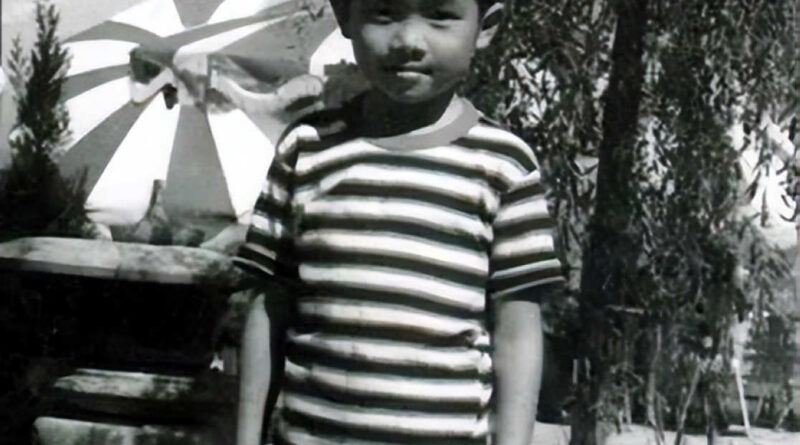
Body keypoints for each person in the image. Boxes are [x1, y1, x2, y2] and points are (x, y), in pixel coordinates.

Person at [233, 0, 566, 444]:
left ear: (485, 28)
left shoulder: (504, 166)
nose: (408, 41)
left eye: (440, 15)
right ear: (345, 16)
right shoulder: (307, 149)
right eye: (384, 13)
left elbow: (517, 332)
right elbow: (267, 308)